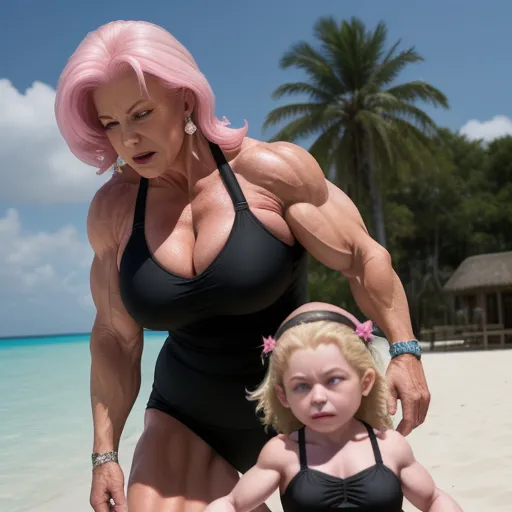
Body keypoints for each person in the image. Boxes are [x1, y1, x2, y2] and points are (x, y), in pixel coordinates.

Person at [54, 20, 430, 512]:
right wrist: (104, 452)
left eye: (141, 113)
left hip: (305, 405)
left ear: (185, 100)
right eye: (111, 123)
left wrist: (404, 349)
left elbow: (362, 257)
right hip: (186, 416)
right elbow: (114, 337)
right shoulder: (114, 211)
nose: (128, 138)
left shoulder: (268, 173)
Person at [204, 303, 463, 512]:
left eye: (334, 380)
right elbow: (232, 504)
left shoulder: (389, 446)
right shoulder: (284, 453)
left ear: (365, 382)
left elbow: (432, 500)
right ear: (283, 396)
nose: (318, 396)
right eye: (301, 386)